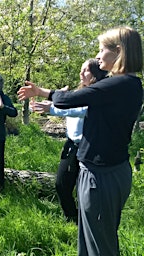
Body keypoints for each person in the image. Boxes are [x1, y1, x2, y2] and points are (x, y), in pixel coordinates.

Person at [17, 26, 143, 256]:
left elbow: (72, 99)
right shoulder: (127, 85)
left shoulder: (118, 84)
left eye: (101, 49)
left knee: (100, 245)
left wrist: (42, 92)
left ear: (118, 51)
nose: (97, 55)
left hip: (101, 176)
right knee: (90, 238)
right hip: (103, 171)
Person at [30, 59, 107, 224]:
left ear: (95, 74)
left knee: (84, 189)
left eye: (85, 70)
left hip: (88, 147)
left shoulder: (96, 95)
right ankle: (72, 217)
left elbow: (79, 110)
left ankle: (84, 220)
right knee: (62, 184)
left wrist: (51, 108)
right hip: (71, 145)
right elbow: (67, 105)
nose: (81, 74)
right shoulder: (79, 93)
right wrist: (51, 104)